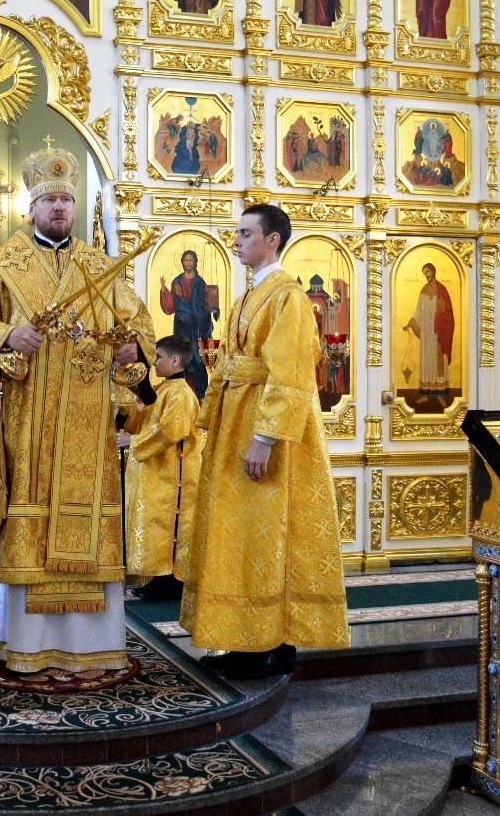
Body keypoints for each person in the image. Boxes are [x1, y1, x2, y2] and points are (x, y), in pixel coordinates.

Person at [0, 138, 155, 675]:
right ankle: (27, 644)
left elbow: (139, 327)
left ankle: (93, 645)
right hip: (31, 422)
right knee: (31, 515)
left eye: (67, 200)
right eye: (50, 200)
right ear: (32, 208)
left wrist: (133, 350)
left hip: (89, 426)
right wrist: (7, 336)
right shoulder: (6, 266)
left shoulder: (101, 267)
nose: (60, 208)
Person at [181, 204, 349, 680]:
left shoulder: (287, 296)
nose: (235, 241)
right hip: (237, 422)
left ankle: (270, 644)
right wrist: (212, 419)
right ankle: (245, 636)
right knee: (241, 533)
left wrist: (265, 438)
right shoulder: (249, 295)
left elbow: (291, 370)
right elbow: (228, 361)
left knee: (266, 531)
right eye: (236, 233)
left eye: (245, 233)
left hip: (264, 427)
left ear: (272, 240)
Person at [118, 334, 201, 602]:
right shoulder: (163, 389)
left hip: (171, 478)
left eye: (158, 357)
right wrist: (128, 405)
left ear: (175, 360)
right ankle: (157, 579)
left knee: (167, 529)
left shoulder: (181, 393)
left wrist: (133, 441)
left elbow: (172, 430)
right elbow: (141, 419)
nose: (153, 363)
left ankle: (170, 583)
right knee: (154, 528)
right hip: (155, 475)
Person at [160, 250, 216, 399]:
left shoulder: (200, 283)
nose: (188, 263)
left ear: (195, 262)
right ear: (182, 262)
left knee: (197, 361)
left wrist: (214, 308)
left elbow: (206, 306)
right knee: (181, 360)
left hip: (196, 330)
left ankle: (201, 397)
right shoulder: (177, 282)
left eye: (191, 260)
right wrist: (164, 289)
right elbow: (170, 307)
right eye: (186, 260)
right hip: (181, 328)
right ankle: (181, 395)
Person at [403, 262, 455, 401]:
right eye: (424, 273)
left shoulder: (441, 290)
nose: (426, 275)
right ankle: (426, 394)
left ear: (433, 271)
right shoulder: (423, 290)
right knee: (427, 359)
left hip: (438, 331)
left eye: (428, 271)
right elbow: (419, 309)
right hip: (426, 331)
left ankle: (440, 394)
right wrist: (411, 322)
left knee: (438, 359)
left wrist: (440, 319)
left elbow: (447, 312)